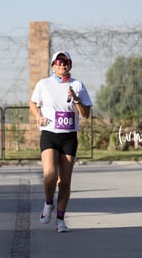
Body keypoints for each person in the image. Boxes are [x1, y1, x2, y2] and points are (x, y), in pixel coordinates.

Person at [29, 51, 92, 232]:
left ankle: (60, 220)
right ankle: (48, 203)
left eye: (66, 63)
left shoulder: (77, 85)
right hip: (49, 133)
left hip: (69, 137)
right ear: (53, 65)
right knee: (49, 173)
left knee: (64, 181)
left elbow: (86, 115)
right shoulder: (44, 84)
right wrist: (38, 117)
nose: (62, 65)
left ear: (70, 65)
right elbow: (33, 103)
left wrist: (76, 99)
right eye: (59, 62)